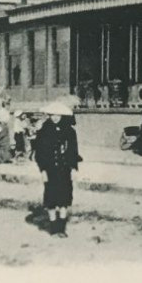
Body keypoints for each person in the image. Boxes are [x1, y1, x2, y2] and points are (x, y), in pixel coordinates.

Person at [33, 101, 82, 236]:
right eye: (52, 115)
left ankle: (62, 228)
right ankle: (54, 228)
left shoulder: (70, 132)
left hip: (64, 170)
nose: (55, 117)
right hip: (50, 170)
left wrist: (73, 168)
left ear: (62, 115)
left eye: (57, 115)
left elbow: (73, 151)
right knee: (51, 199)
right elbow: (40, 153)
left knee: (64, 198)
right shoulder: (44, 131)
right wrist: (43, 170)